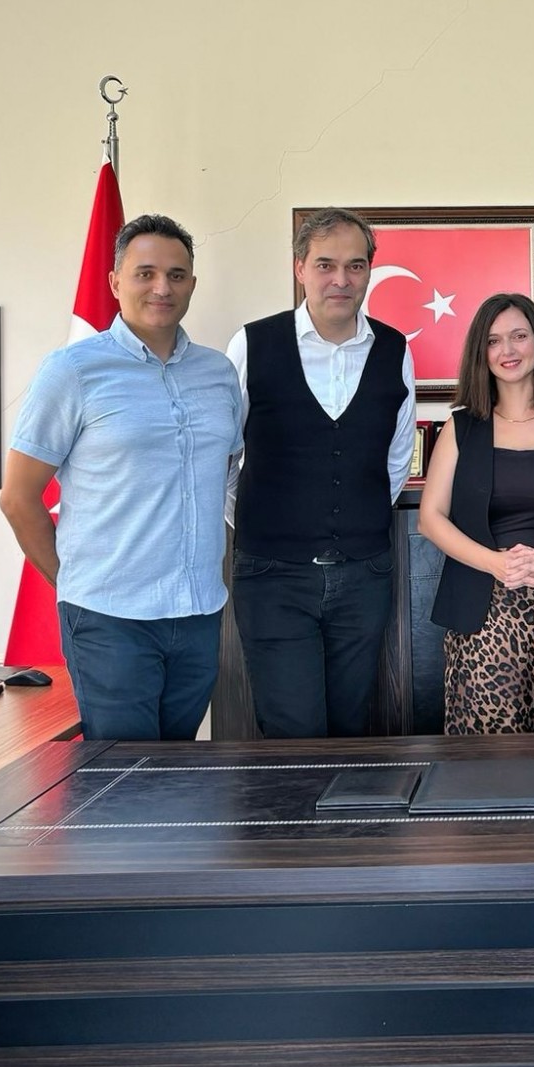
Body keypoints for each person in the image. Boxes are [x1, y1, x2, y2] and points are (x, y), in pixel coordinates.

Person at [1, 214, 242, 740]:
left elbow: (226, 471)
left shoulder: (219, 374)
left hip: (199, 613)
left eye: (176, 275)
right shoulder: (72, 371)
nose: (162, 288)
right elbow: (18, 498)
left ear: (193, 285)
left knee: (175, 768)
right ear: (114, 282)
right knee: (123, 776)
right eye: (145, 273)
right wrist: (74, 584)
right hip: (110, 619)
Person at [226, 208, 416, 738]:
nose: (341, 280)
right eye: (326, 265)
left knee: (351, 729)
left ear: (369, 271)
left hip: (363, 576)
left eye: (355, 266)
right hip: (273, 577)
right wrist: (266, 529)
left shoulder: (394, 349)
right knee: (294, 734)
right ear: (299, 269)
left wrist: (352, 520)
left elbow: (396, 459)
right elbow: (224, 458)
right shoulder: (252, 344)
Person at [418, 294, 534, 733]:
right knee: (487, 751)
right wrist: (496, 564)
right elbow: (430, 517)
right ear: (480, 353)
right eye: (493, 340)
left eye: (519, 336)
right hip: (479, 614)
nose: (508, 350)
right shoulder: (460, 428)